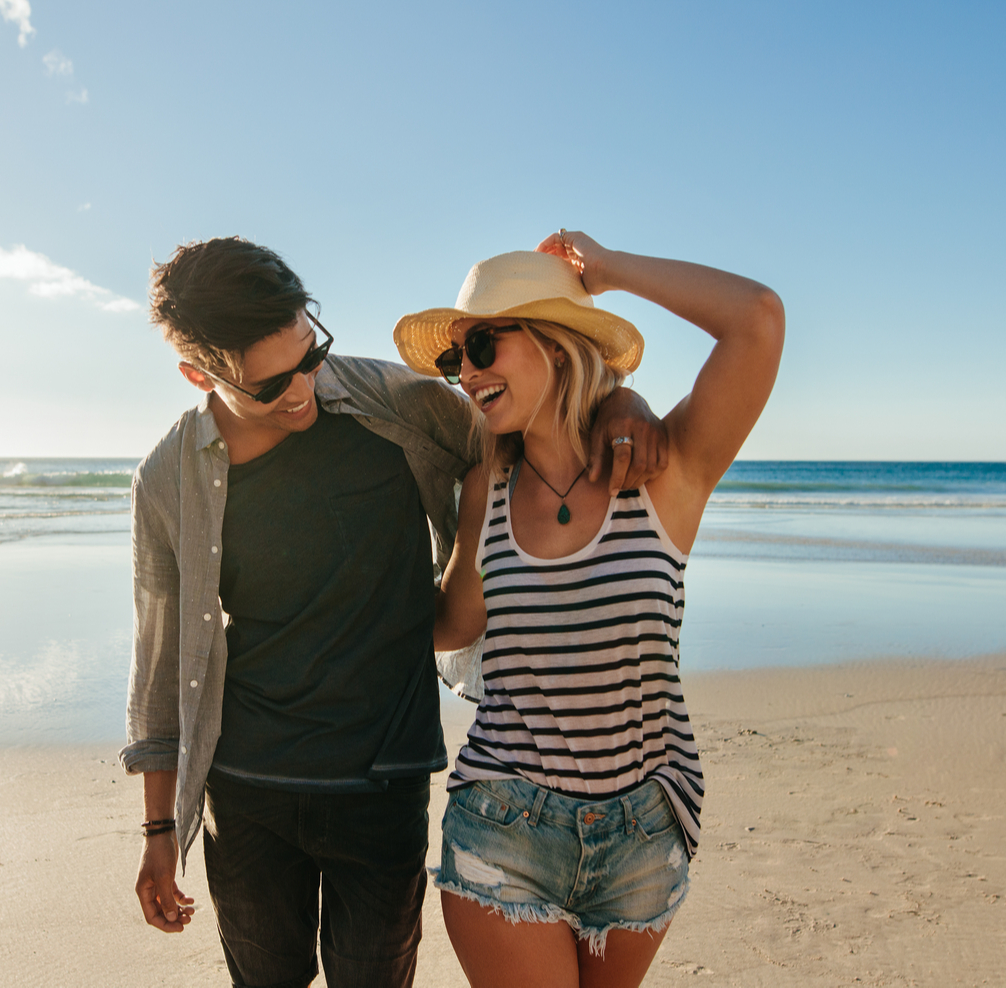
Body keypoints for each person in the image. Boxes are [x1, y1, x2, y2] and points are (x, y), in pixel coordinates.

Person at [122, 236, 668, 988]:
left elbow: (521, 418)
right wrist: (157, 834)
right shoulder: (166, 480)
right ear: (198, 374)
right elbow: (159, 667)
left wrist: (619, 400)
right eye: (270, 384)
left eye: (309, 358)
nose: (302, 392)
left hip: (384, 783)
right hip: (246, 791)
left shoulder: (391, 406)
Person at [391, 232, 784, 988]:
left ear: (555, 341)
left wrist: (605, 272)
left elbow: (758, 320)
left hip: (642, 831)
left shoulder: (668, 466)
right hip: (505, 822)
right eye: (455, 361)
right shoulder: (487, 488)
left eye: (480, 345)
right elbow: (456, 626)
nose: (466, 374)